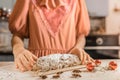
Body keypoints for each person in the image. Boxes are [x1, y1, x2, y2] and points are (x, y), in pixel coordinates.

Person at [9, 0, 94, 72]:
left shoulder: (77, 1)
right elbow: (17, 34)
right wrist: (18, 49)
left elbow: (81, 35)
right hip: (36, 65)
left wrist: (78, 47)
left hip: (69, 64)